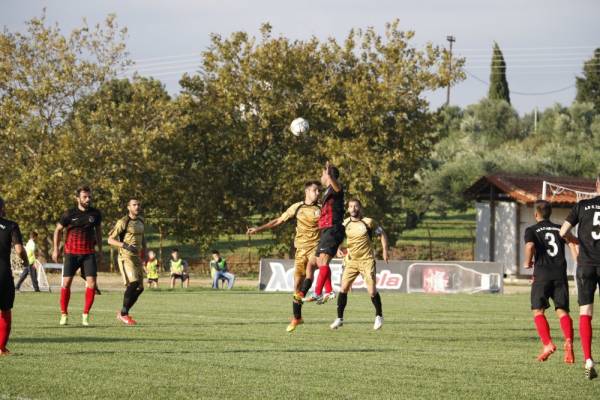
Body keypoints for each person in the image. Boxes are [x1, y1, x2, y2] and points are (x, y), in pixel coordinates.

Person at [247, 180, 321, 332]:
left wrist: (336, 246)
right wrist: (259, 229)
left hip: (315, 247)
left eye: (319, 191)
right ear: (307, 191)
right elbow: (279, 220)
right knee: (297, 285)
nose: (318, 193)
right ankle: (297, 317)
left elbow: (330, 228)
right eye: (315, 190)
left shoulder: (321, 208)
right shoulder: (297, 207)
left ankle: (317, 292)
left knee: (311, 268)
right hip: (300, 249)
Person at [523, 200, 578, 364]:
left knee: (538, 311)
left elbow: (530, 246)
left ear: (535, 214)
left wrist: (527, 262)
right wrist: (578, 260)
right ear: (550, 213)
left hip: (541, 275)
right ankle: (568, 341)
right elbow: (573, 242)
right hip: (560, 275)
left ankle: (547, 344)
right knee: (562, 311)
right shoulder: (560, 228)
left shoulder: (531, 229)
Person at [560, 176, 600, 379]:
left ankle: (588, 359)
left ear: (596, 185)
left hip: (585, 265)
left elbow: (563, 231)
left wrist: (576, 241)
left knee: (586, 312)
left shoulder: (582, 205)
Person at [330, 199, 388, 330]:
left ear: (360, 208)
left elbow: (382, 234)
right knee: (343, 289)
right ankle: (339, 318)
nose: (353, 208)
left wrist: (385, 250)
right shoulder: (345, 223)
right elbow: (338, 237)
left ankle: (379, 316)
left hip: (367, 260)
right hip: (351, 261)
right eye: (351, 206)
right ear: (348, 209)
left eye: (356, 206)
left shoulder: (368, 222)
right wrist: (338, 247)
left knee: (372, 291)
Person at [52, 186, 102, 327]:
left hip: (88, 254)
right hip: (71, 254)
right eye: (85, 197)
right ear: (77, 198)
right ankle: (64, 314)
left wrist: (100, 249)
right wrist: (56, 250)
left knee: (92, 283)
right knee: (66, 284)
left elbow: (98, 231)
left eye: (89, 197)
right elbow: (58, 230)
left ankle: (85, 315)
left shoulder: (96, 214)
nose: (88, 199)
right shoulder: (69, 214)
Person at [298, 162, 344, 304]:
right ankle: (329, 290)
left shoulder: (335, 188)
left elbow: (338, 188)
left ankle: (317, 292)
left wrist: (330, 175)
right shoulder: (327, 191)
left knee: (323, 261)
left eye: (322, 174)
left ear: (328, 176)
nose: (321, 177)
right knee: (315, 262)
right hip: (326, 230)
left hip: (332, 228)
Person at [108, 198, 147, 326]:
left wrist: (145, 254)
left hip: (137, 257)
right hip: (126, 256)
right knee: (133, 283)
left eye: (138, 204)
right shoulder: (123, 221)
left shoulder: (141, 220)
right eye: (134, 205)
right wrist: (125, 245)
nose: (137, 207)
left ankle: (123, 313)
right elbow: (110, 240)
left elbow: (143, 238)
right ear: (128, 207)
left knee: (140, 288)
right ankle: (124, 314)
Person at [0, 196, 30, 355]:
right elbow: (19, 250)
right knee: (5, 310)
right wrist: (26, 262)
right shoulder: (11, 226)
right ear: (2, 208)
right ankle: (1, 348)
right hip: (3, 273)